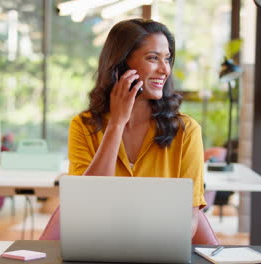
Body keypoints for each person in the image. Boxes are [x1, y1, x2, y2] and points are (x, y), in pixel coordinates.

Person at [41, 18, 207, 240]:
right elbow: (87, 203)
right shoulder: (83, 126)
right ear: (120, 66)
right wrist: (117, 124)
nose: (164, 69)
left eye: (167, 59)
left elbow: (190, 221)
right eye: (152, 58)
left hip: (159, 250)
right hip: (97, 245)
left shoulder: (186, 131)